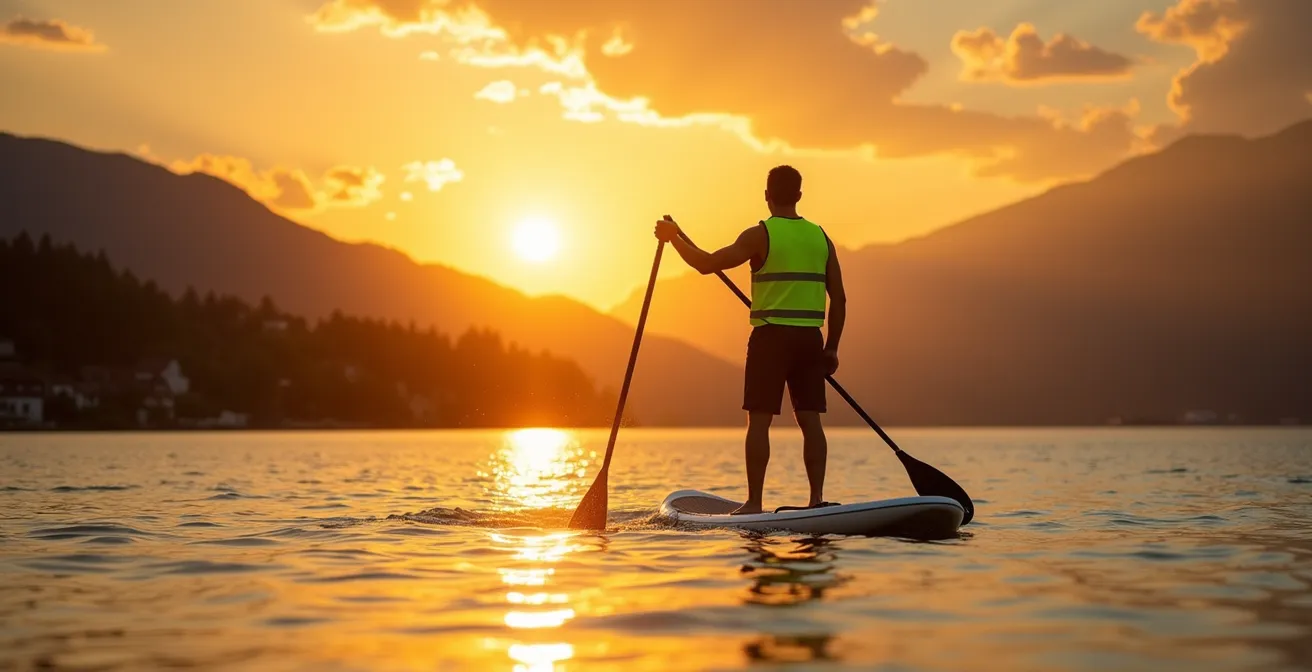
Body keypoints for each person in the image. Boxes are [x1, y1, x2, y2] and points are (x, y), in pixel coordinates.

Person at [654, 165, 846, 514]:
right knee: (810, 421)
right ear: (800, 196)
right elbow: (841, 299)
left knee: (759, 420)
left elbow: (706, 264)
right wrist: (832, 348)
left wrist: (673, 239)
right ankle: (816, 500)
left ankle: (755, 503)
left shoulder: (760, 235)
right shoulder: (822, 238)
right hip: (809, 342)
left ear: (766, 196)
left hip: (771, 339)